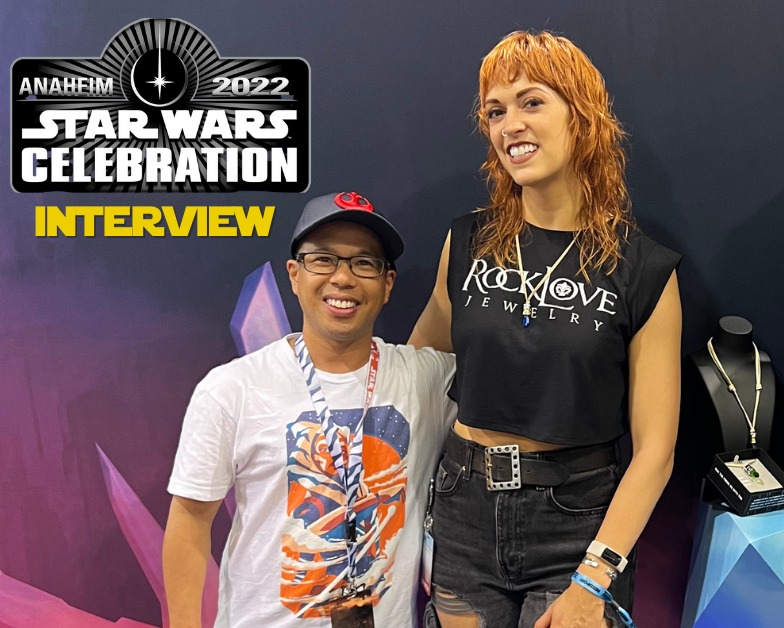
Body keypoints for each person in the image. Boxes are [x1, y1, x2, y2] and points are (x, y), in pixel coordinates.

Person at [408, 31, 681, 628]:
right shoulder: (467, 242)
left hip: (578, 523)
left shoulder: (642, 268)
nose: (511, 125)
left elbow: (655, 451)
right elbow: (417, 369)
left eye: (532, 102)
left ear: (582, 116)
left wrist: (595, 575)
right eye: (495, 111)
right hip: (462, 510)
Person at [163, 191, 457, 628]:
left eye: (364, 263)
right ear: (294, 275)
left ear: (388, 284)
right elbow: (189, 521)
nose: (343, 278)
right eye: (323, 260)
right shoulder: (232, 388)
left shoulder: (424, 380)